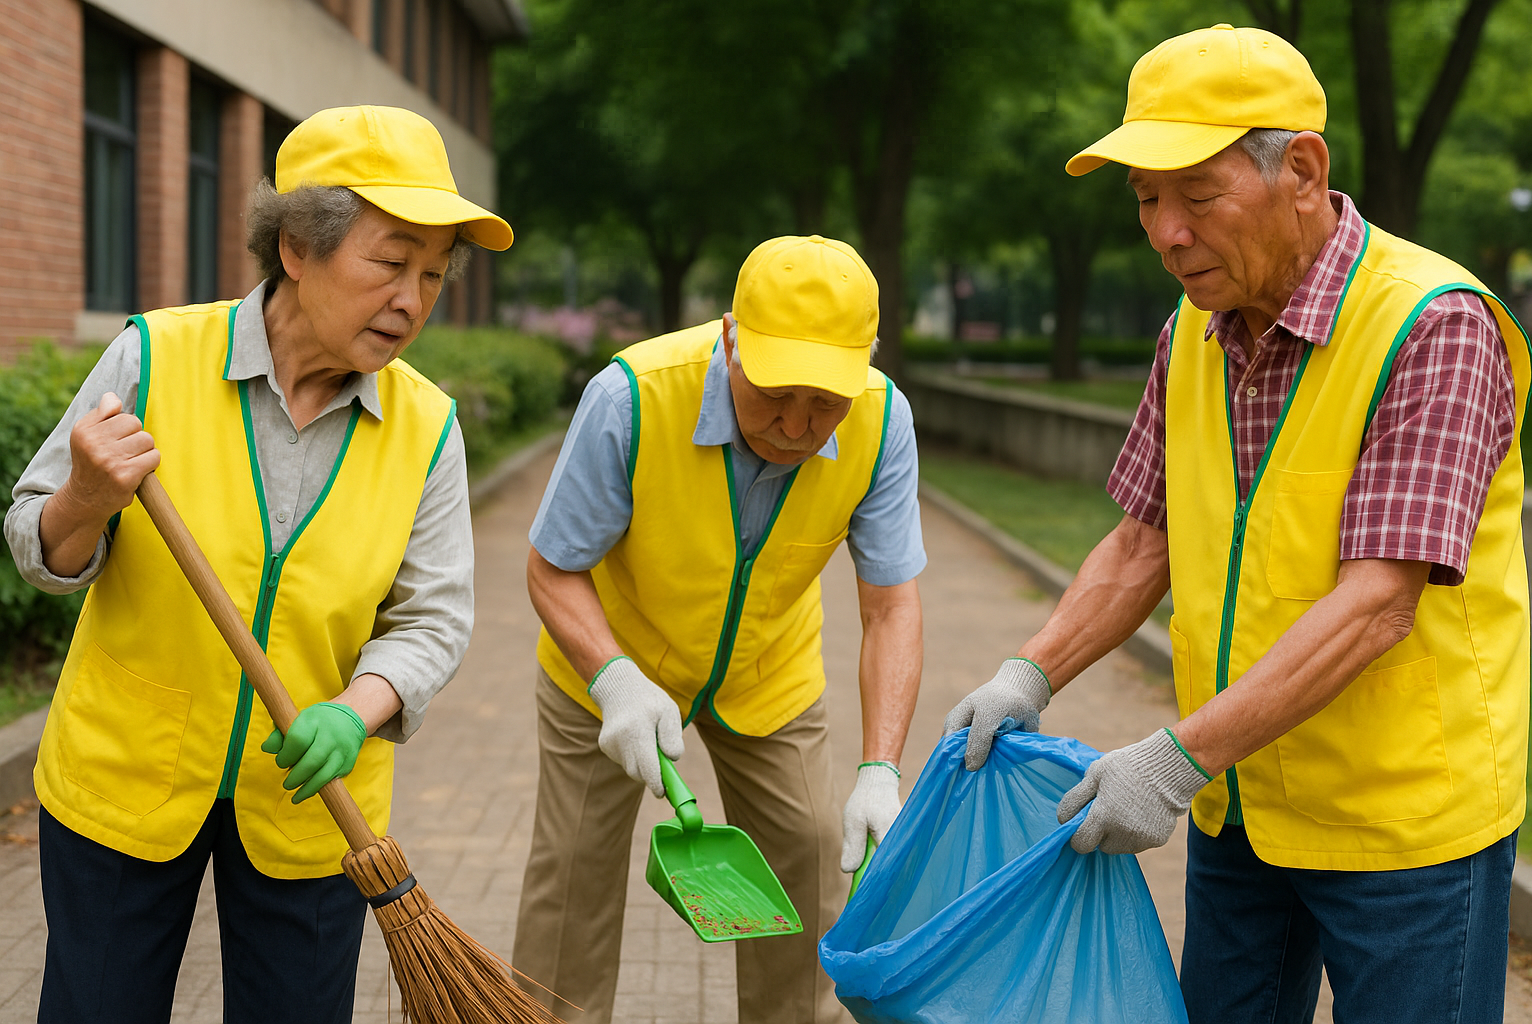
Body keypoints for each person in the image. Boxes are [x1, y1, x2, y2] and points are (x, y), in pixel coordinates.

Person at [943, 24, 1528, 1024]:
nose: (1167, 232)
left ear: (1302, 168)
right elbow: (1143, 539)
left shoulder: (1433, 323)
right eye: (1145, 202)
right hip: (1242, 802)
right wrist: (1029, 671)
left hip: (1401, 826)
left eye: (1197, 195)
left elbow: (1377, 604)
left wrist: (1174, 758)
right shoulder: (1192, 333)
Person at [4, 105, 512, 1023]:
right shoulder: (153, 358)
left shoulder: (428, 427)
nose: (412, 299)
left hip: (314, 802)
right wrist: (83, 499)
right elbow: (39, 543)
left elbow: (434, 618)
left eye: (434, 276)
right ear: (296, 249)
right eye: (389, 263)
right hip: (125, 779)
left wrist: (357, 714)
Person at [512, 234, 925, 1024]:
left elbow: (891, 605)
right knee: (572, 875)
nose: (799, 426)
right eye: (774, 394)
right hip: (606, 668)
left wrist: (882, 768)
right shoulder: (631, 397)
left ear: (866, 358)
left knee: (807, 857)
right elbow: (551, 567)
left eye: (824, 401)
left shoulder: (881, 421)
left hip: (770, 674)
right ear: (731, 337)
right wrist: (615, 680)